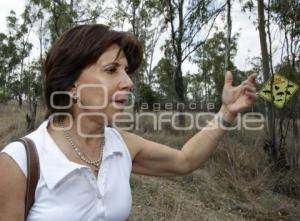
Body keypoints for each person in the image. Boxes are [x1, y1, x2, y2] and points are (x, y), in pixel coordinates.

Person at [0, 24, 257, 221]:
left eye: (126, 71)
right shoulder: (19, 163)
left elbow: (185, 160)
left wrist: (227, 112)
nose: (128, 82)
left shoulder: (120, 145)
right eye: (112, 70)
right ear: (70, 85)